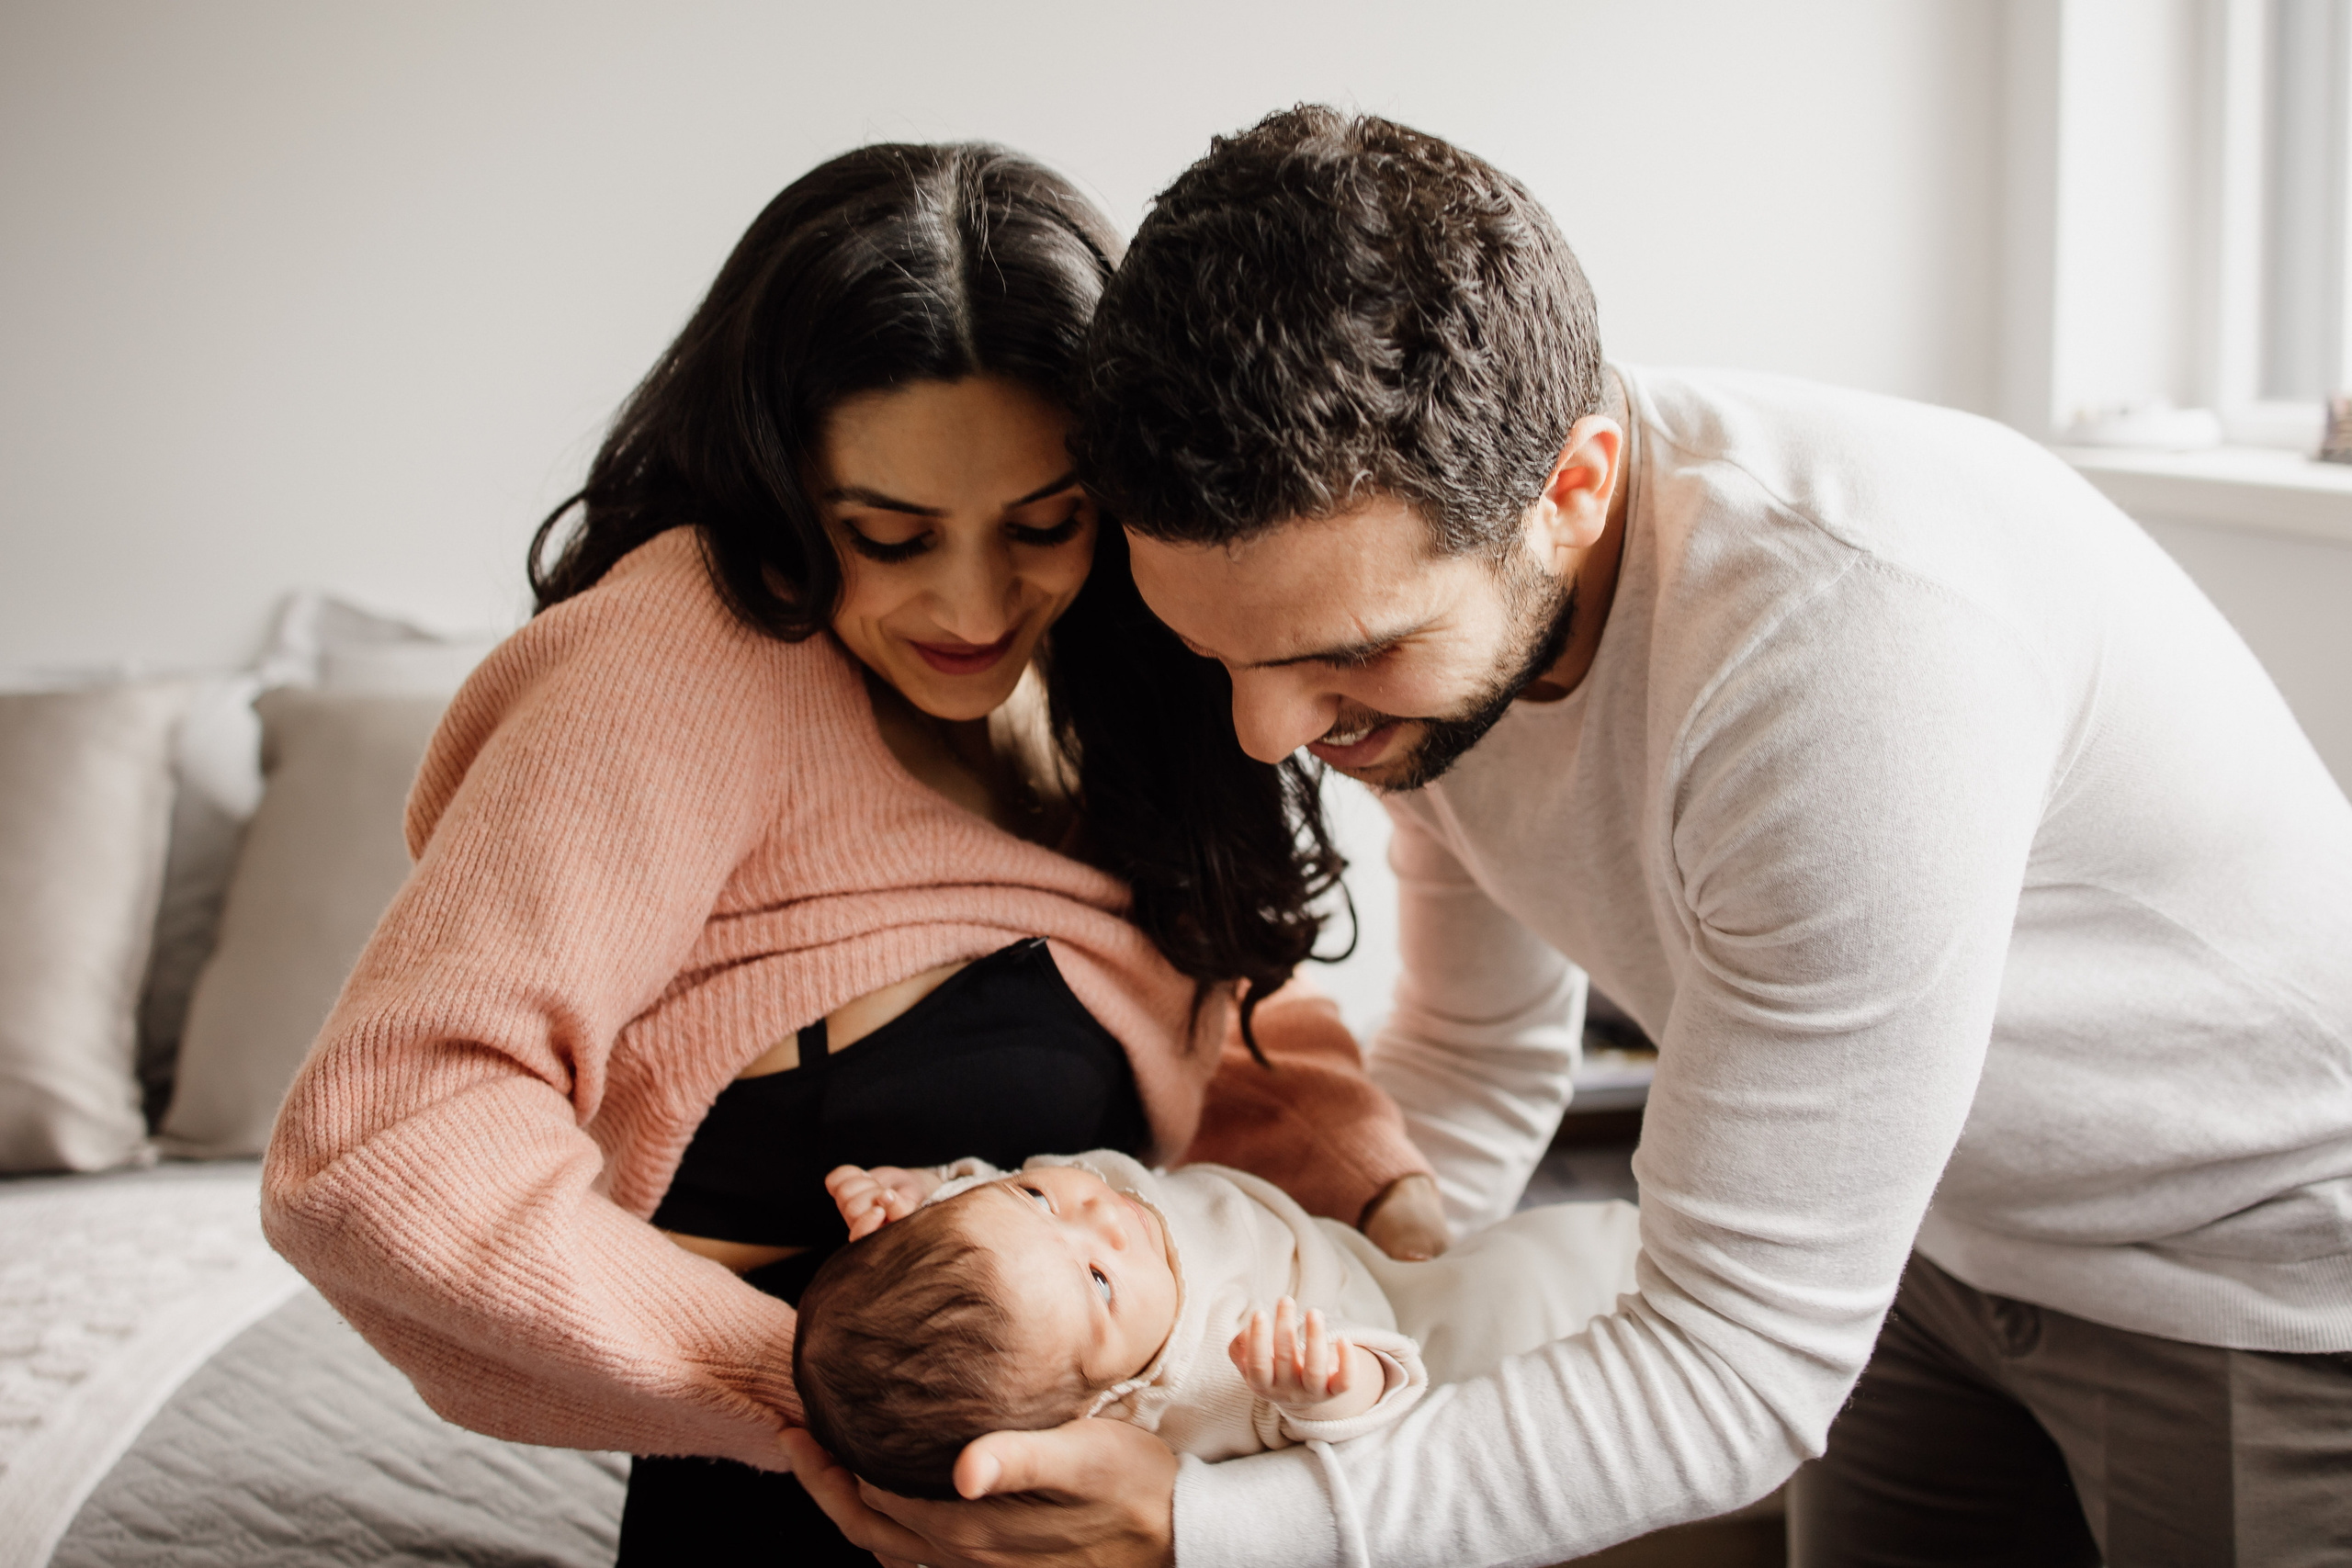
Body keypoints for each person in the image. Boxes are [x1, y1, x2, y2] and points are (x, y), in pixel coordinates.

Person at [787, 108, 2352, 1568]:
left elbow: (1737, 1360)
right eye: (1221, 653)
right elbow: (1478, 1054)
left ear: (1575, 489)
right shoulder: (1427, 632)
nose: (1270, 732)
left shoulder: (1849, 663)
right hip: (1927, 1238)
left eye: (1348, 652)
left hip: (2245, 1266)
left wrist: (1220, 1523)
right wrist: (1308, 1316)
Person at [257, 141, 1450, 1567]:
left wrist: (1393, 1206)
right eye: (887, 534)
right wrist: (842, 1404)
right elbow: (388, 1138)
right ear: (779, 488)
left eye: (1045, 522)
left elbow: (1204, 997)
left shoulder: (1108, 671)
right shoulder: (686, 655)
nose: (975, 604)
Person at [791, 1151, 1637, 1495]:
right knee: (1538, 1290)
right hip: (1407, 1331)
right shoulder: (1208, 1384)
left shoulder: (1006, 1248)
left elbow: (979, 1190)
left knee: (1581, 1248)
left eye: (1038, 1196)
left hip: (1363, 1245)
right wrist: (1323, 1383)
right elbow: (1371, 1428)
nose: (1100, 1215)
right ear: (1098, 1410)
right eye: (1098, 1279)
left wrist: (918, 1191)